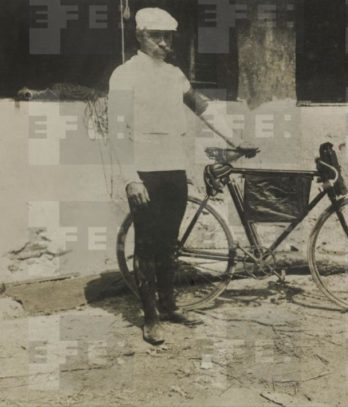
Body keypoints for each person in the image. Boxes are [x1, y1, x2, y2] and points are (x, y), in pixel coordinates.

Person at [108, 8, 250, 345]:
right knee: (146, 243)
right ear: (140, 36)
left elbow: (203, 107)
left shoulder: (175, 75)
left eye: (168, 37)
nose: (163, 43)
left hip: (173, 168)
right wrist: (130, 178)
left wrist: (235, 139)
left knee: (169, 243)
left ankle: (169, 305)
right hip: (143, 171)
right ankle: (150, 316)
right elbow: (116, 131)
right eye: (156, 36)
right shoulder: (124, 75)